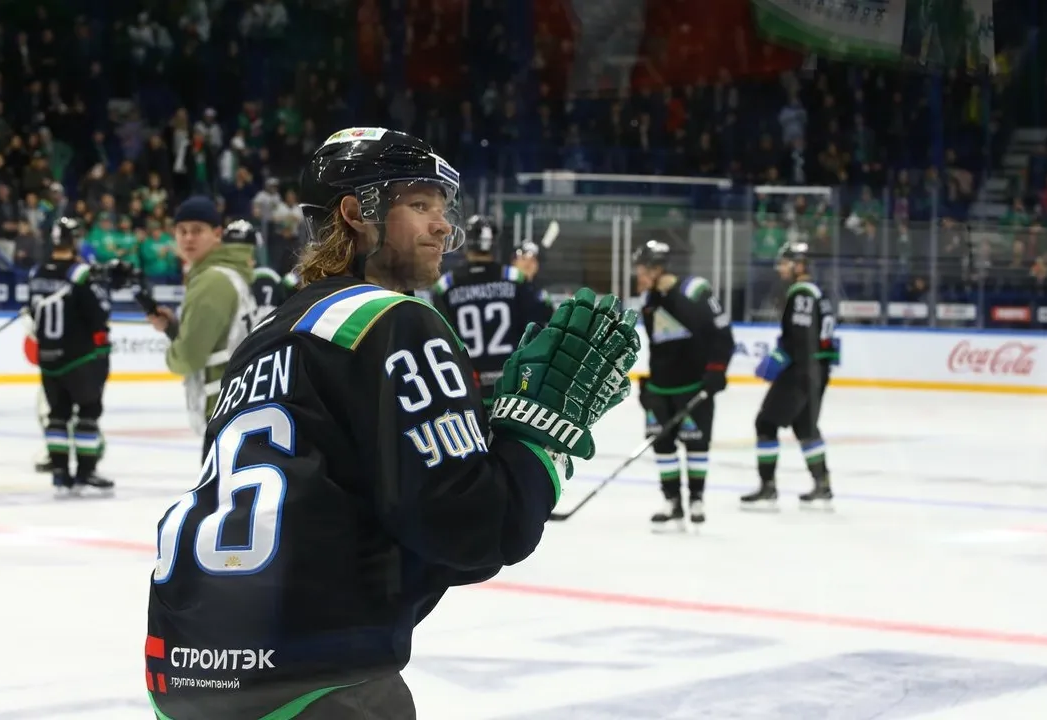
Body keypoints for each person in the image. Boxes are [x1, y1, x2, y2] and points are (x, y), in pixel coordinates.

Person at [143, 126, 640, 719]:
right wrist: (536, 438)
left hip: (186, 671)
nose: (442, 226)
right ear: (357, 213)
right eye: (420, 204)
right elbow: (471, 529)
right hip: (313, 678)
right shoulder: (392, 322)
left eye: (442, 208)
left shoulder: (264, 338)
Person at [632, 240, 733, 529]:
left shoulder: (696, 291)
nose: (638, 274)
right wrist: (651, 385)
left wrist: (716, 371)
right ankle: (672, 501)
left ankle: (697, 499)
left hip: (693, 384)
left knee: (696, 443)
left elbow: (722, 335)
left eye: (642, 269)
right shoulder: (649, 301)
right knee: (662, 444)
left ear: (656, 268)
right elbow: (659, 346)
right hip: (661, 387)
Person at [146, 197, 259, 436]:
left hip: (222, 410)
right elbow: (221, 341)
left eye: (197, 230)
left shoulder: (211, 281)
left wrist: (174, 353)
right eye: (182, 231)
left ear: (217, 234)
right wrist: (174, 328)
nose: (188, 238)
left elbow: (188, 358)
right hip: (238, 406)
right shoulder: (229, 273)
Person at [741, 241, 838, 510]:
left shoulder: (801, 294)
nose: (780, 268)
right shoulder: (817, 292)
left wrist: (779, 359)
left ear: (799, 265)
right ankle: (822, 484)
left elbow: (801, 339)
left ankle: (768, 487)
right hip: (818, 369)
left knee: (765, 423)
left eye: (785, 263)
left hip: (801, 371)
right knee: (805, 426)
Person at [26, 216, 114, 496]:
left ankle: (60, 475)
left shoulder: (37, 273)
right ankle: (85, 474)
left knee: (57, 415)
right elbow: (99, 315)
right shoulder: (80, 274)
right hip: (79, 358)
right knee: (88, 412)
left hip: (49, 360)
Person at [432, 215, 553, 404]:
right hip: (511, 387)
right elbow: (541, 323)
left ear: (466, 244)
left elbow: (438, 340)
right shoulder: (515, 279)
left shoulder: (445, 286)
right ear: (494, 244)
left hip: (465, 388)